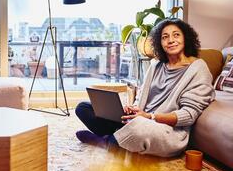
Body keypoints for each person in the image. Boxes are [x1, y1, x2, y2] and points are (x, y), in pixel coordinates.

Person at [75, 18, 215, 157]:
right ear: (160, 43)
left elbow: (188, 115)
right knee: (83, 108)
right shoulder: (156, 65)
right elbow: (141, 96)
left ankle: (105, 142)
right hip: (140, 118)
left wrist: (150, 116)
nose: (171, 40)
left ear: (186, 38)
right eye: (165, 37)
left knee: (138, 129)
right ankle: (119, 138)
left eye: (176, 35)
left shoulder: (198, 69)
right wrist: (133, 109)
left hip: (165, 129)